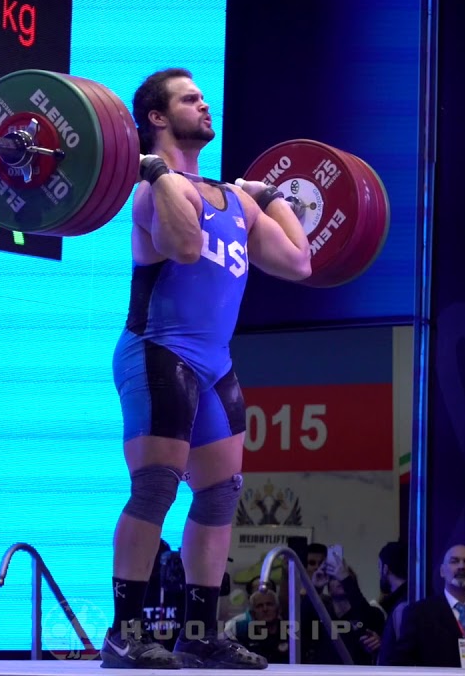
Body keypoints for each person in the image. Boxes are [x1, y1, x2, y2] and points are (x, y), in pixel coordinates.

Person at [100, 67, 312, 670]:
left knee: (220, 494)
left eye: (204, 96)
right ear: (159, 118)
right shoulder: (152, 191)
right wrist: (161, 171)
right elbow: (186, 247)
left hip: (216, 363)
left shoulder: (238, 201)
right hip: (157, 351)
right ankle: (124, 632)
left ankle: (200, 634)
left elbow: (299, 261)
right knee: (157, 487)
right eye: (190, 99)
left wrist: (267, 194)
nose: (205, 105)